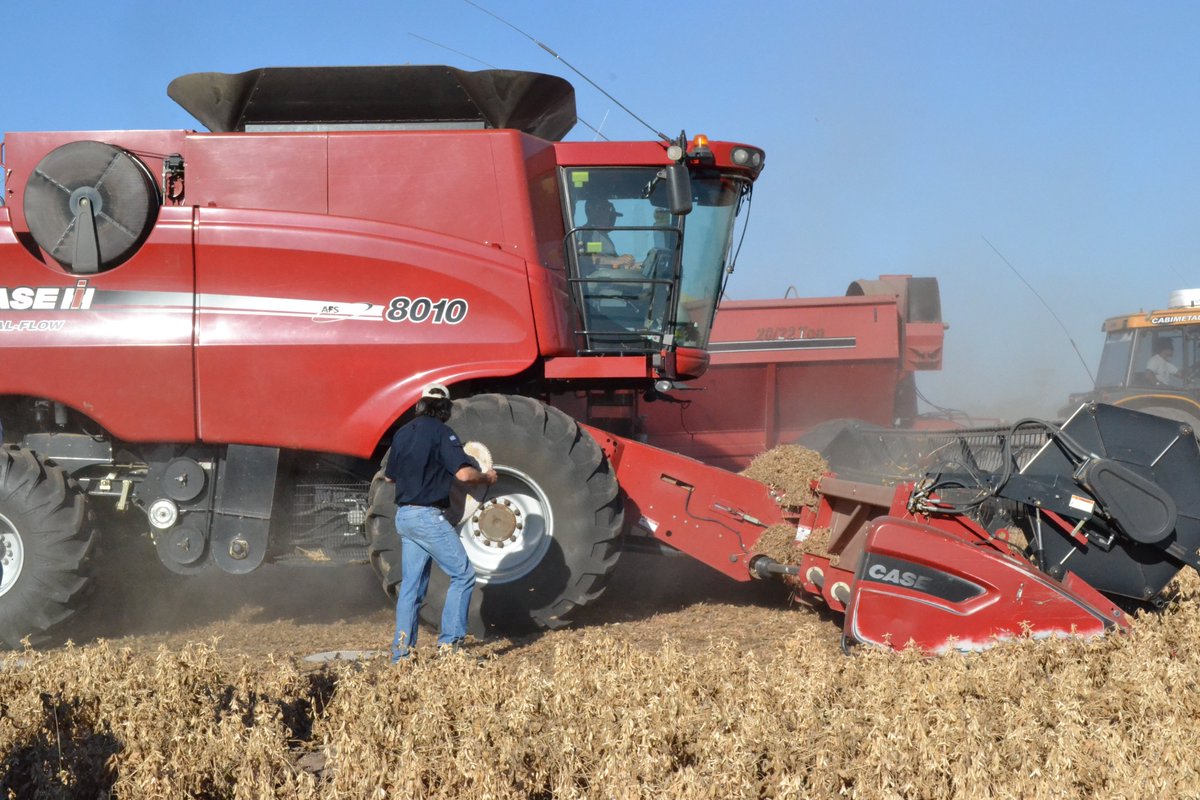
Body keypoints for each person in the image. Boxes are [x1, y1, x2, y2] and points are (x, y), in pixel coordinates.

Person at [384, 382, 497, 661]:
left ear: (421, 404)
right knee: (463, 575)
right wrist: (486, 477)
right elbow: (464, 475)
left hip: (405, 516)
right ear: (445, 409)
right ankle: (450, 649)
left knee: (411, 588)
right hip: (427, 517)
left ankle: (402, 656)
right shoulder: (442, 433)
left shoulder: (402, 433)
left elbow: (389, 477)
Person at [581, 198, 640, 271]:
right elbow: (592, 258)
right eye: (611, 216)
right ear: (598, 214)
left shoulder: (600, 234)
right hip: (602, 277)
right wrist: (617, 260)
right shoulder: (592, 233)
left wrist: (629, 265)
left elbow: (604, 260)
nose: (613, 220)